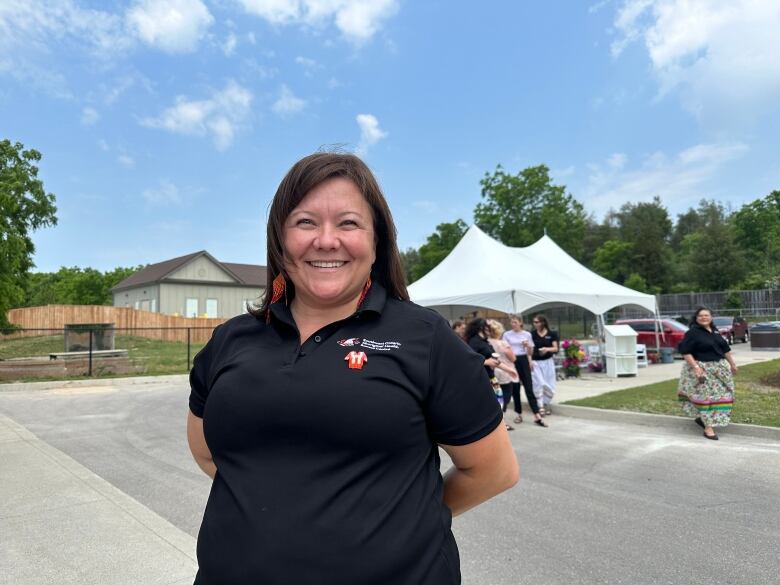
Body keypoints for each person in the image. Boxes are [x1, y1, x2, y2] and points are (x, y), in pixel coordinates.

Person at [186, 152, 518, 585]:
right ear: (279, 239)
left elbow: (493, 471)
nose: (326, 240)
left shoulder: (426, 338)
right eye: (305, 222)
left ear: (377, 241)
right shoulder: (231, 340)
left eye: (348, 223)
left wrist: (397, 517)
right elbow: (208, 453)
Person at [677, 306, 738, 440]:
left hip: (720, 369)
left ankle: (702, 419)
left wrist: (732, 364)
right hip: (703, 369)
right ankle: (708, 428)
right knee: (707, 398)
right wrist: (696, 367)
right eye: (700, 316)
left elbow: (725, 349)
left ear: (711, 318)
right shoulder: (693, 333)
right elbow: (685, 351)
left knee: (724, 395)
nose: (704, 318)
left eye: (706, 315)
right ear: (696, 318)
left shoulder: (715, 332)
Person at [464, 318, 514, 431]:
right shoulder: (474, 341)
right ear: (481, 328)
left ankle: (497, 425)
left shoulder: (485, 341)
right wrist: (487, 362)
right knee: (493, 403)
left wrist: (509, 370)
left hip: (491, 376)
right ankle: (492, 426)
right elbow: (470, 360)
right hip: (481, 378)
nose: (489, 329)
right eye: (487, 327)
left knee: (499, 401)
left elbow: (493, 359)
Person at [502, 316, 546, 427]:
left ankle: (537, 414)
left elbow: (530, 351)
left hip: (523, 360)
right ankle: (518, 414)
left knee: (529, 388)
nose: (513, 324)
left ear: (520, 323)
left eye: (515, 322)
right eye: (511, 322)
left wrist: (528, 348)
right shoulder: (507, 334)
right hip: (512, 361)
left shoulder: (527, 334)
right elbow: (504, 350)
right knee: (515, 389)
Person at [485, 320, 519, 413]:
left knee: (495, 395)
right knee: (505, 396)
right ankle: (501, 417)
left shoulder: (486, 342)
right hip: (505, 371)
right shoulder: (503, 343)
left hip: (492, 371)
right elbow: (513, 358)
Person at [531, 314, 559, 415]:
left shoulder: (552, 334)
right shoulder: (532, 334)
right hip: (535, 362)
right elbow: (529, 349)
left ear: (543, 322)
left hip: (548, 362)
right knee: (538, 383)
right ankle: (540, 406)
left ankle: (546, 403)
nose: (535, 324)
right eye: (534, 322)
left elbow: (556, 348)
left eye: (537, 322)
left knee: (549, 383)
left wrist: (546, 349)